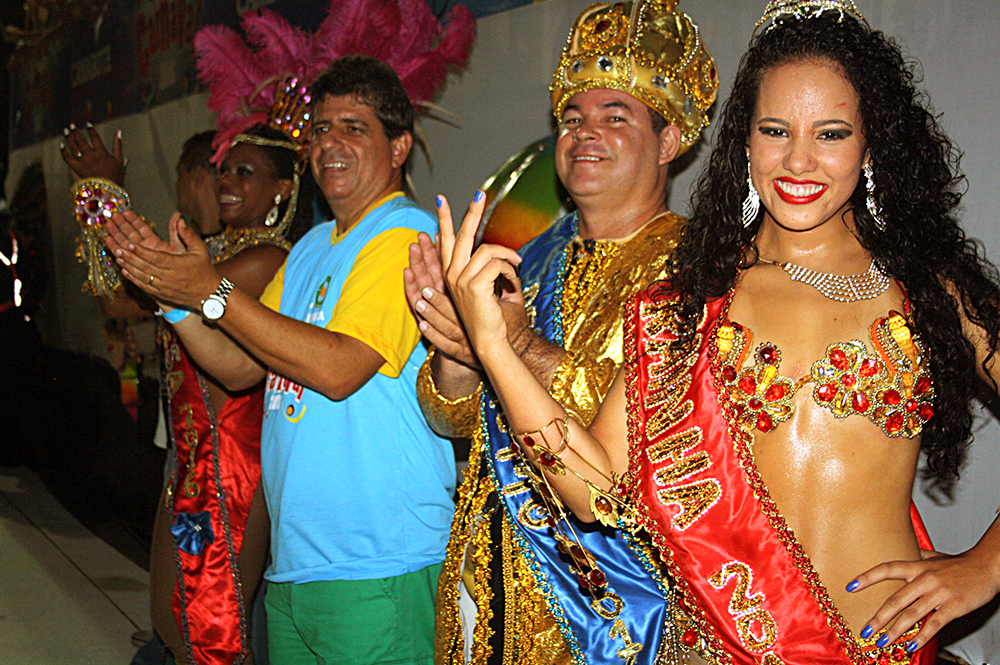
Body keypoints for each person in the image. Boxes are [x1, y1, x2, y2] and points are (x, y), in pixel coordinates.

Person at [437, 1, 1000, 664]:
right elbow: (593, 493)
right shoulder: (690, 303)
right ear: (745, 141)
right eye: (775, 130)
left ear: (870, 143)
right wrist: (494, 347)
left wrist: (985, 566)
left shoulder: (931, 290)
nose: (798, 160)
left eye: (830, 134)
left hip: (881, 649)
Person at [104, 56, 456, 665]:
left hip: (379, 564)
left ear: (399, 147)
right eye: (321, 129)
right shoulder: (313, 246)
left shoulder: (405, 236)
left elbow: (339, 370)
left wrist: (210, 291)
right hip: (296, 567)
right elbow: (238, 367)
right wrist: (173, 299)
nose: (330, 144)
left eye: (354, 128)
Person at [406, 2, 718, 662]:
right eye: (572, 118)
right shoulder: (527, 254)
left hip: (610, 604)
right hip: (488, 581)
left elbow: (650, 442)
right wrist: (455, 346)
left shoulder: (701, 271)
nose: (584, 133)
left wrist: (514, 344)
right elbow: (450, 416)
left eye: (615, 116)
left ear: (669, 142)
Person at [66, 122, 298, 665]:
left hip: (231, 464)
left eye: (245, 172)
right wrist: (99, 200)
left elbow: (158, 286)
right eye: (225, 170)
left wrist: (107, 195)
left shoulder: (268, 258)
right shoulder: (211, 251)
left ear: (282, 190)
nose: (227, 181)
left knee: (213, 636)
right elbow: (116, 300)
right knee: (172, 620)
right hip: (190, 456)